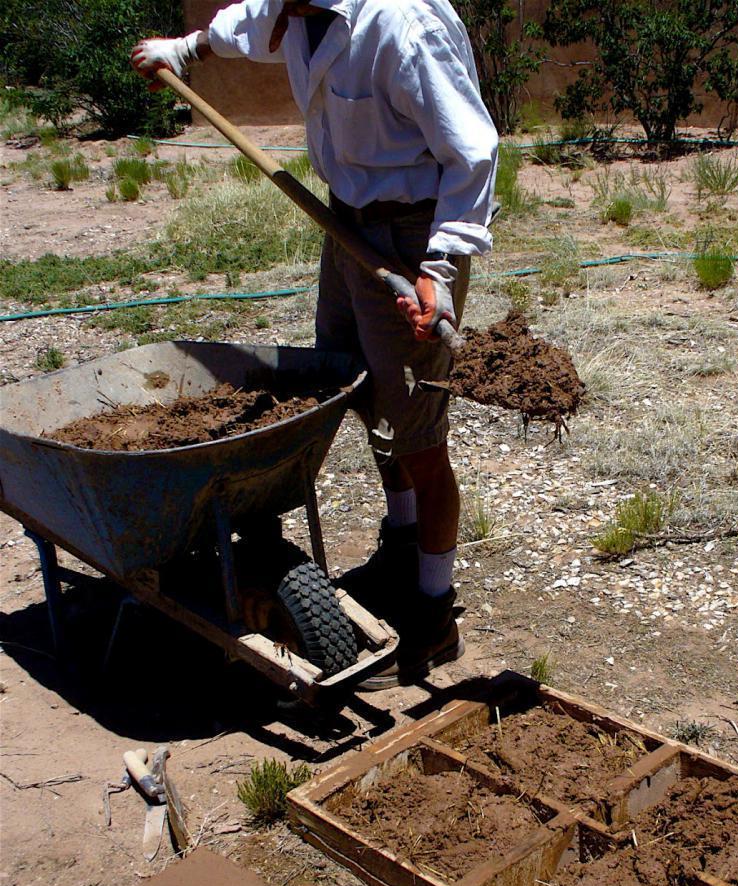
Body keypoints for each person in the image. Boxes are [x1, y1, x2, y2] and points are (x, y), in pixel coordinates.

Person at [131, 0, 499, 686]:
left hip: (413, 236)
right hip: (347, 224)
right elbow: (243, 24)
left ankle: (432, 611)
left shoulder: (400, 26)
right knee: (359, 390)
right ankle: (400, 542)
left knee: (420, 432)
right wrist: (184, 51)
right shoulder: (295, 8)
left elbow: (472, 151)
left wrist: (440, 271)